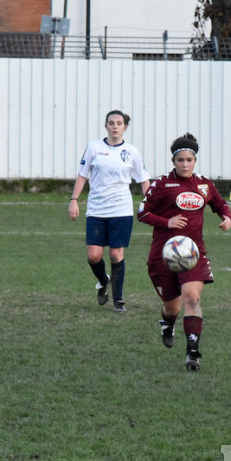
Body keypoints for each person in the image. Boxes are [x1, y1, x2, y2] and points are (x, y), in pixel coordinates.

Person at [137, 133, 231, 371]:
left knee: (192, 298)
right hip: (164, 255)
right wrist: (166, 222)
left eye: (189, 159)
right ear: (174, 161)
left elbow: (219, 203)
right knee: (173, 308)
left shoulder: (204, 184)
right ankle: (167, 323)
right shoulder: (161, 185)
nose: (185, 164)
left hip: (193, 253)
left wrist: (227, 217)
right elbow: (142, 213)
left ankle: (193, 354)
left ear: (195, 160)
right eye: (180, 160)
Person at [69, 110, 151, 313]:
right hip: (96, 209)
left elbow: (143, 180)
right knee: (94, 256)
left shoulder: (132, 151)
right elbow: (82, 175)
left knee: (116, 255)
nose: (115, 126)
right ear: (106, 126)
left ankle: (119, 299)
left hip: (121, 210)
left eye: (119, 123)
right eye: (111, 123)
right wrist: (74, 200)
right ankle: (103, 280)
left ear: (125, 127)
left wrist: (149, 202)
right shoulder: (94, 147)